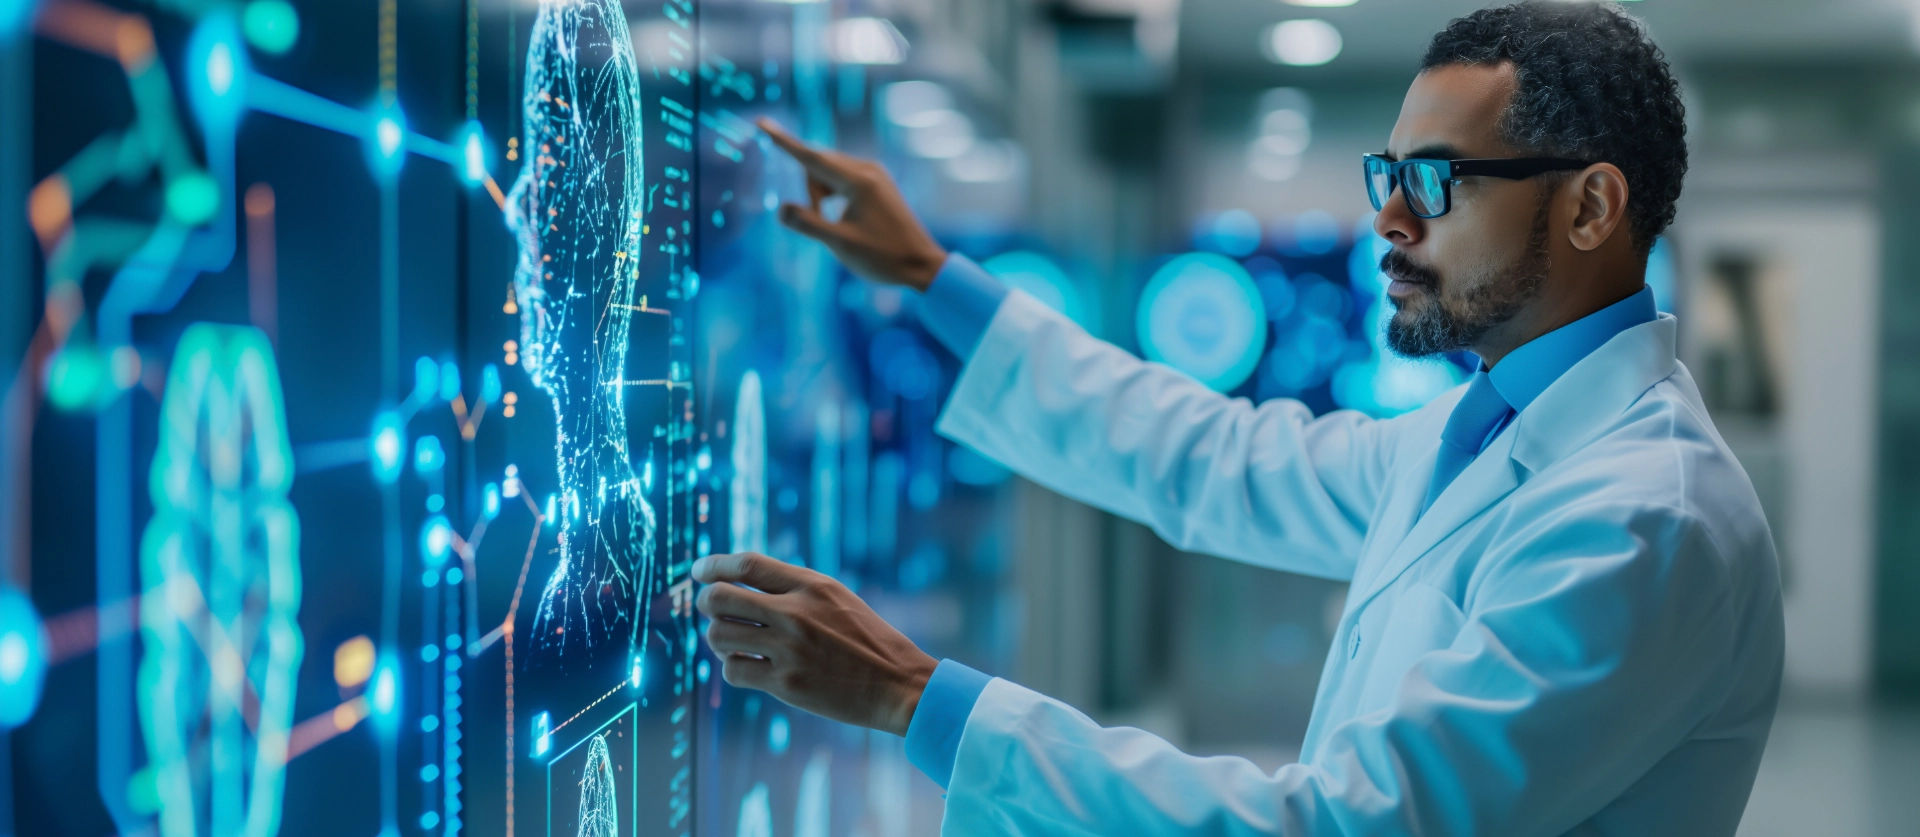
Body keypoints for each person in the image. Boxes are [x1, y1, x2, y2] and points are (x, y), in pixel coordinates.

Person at [694, 2, 1784, 834]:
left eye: (1436, 180)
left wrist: (914, 699)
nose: (1388, 218)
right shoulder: (1489, 432)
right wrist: (935, 280)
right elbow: (1208, 458)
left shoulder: (1644, 518)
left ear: (1591, 206)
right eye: (1386, 172)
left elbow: (1347, 824)